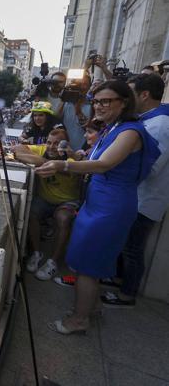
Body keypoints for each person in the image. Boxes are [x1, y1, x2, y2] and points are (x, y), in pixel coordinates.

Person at [36, 80, 160, 334]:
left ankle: (79, 320)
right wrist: (76, 155)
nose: (99, 106)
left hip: (110, 207)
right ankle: (91, 308)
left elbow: (104, 164)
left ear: (124, 102)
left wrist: (63, 165)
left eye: (106, 101)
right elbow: (94, 158)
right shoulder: (113, 128)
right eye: (96, 101)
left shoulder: (130, 132)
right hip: (99, 202)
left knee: (87, 267)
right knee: (88, 261)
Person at [101, 73, 169, 307]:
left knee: (132, 248)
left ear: (144, 95)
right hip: (135, 195)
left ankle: (127, 293)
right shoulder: (148, 120)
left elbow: (150, 167)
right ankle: (118, 279)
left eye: (129, 94)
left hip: (145, 199)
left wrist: (112, 162)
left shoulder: (160, 124)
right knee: (125, 244)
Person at [13, 129, 81, 280]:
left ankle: (53, 262)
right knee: (31, 214)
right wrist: (38, 158)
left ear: (65, 145)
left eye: (57, 144)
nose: (51, 147)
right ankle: (37, 253)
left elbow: (63, 169)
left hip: (67, 201)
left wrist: (39, 161)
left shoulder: (71, 160)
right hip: (44, 200)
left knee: (63, 219)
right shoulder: (43, 149)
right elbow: (16, 149)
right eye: (49, 142)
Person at [55, 68, 92, 151]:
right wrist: (64, 96)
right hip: (63, 149)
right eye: (79, 84)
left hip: (82, 150)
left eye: (85, 84)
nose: (81, 87)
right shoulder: (66, 103)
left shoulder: (92, 105)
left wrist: (78, 110)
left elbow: (89, 128)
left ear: (89, 86)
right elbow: (56, 118)